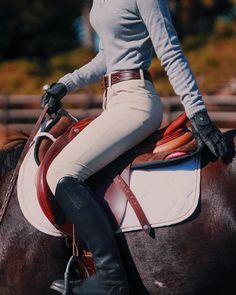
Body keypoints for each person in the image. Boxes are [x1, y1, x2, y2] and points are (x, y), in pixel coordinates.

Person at [41, 0, 228, 294]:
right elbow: (107, 55)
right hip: (113, 100)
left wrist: (197, 112)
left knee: (62, 173)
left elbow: (170, 50)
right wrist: (66, 83)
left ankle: (111, 279)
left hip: (136, 102)